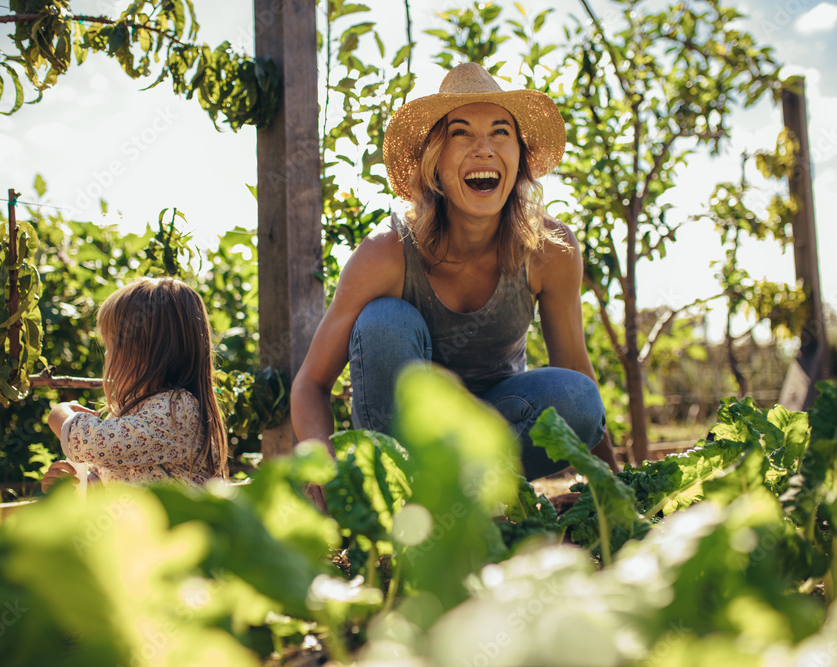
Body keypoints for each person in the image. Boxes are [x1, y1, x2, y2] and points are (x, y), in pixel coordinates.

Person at [291, 62, 620, 478]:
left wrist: (614, 490)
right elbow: (310, 384)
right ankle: (405, 496)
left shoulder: (549, 249)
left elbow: (574, 366)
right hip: (402, 444)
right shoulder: (386, 253)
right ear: (434, 162)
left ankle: (473, 496)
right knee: (385, 321)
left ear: (519, 159)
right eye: (460, 133)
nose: (483, 148)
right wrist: (321, 462)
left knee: (579, 397)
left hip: (499, 429)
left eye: (501, 132)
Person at [41, 277, 228, 492]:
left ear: (147, 352)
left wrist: (59, 413)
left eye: (111, 345)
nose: (107, 354)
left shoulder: (176, 409)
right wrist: (76, 483)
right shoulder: (128, 410)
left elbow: (91, 442)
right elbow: (112, 475)